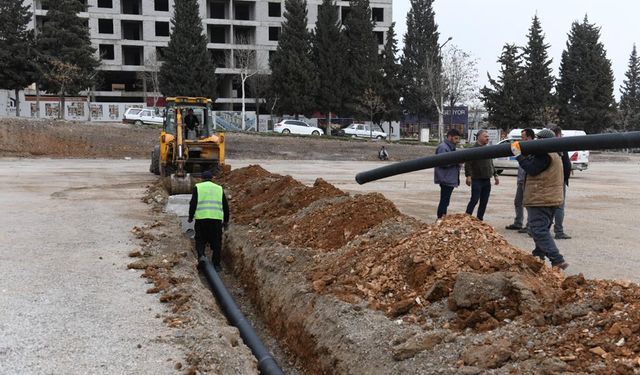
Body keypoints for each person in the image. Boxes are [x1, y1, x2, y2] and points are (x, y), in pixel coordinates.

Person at [511, 128, 569, 269]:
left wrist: (518, 156)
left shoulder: (545, 155)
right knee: (541, 228)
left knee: (537, 230)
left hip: (541, 198)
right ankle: (538, 257)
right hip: (550, 198)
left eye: (538, 139)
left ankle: (557, 259)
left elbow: (531, 169)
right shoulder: (556, 153)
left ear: (543, 140)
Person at [188, 170, 229, 271]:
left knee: (200, 239)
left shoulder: (198, 187)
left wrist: (190, 217)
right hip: (216, 220)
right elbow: (225, 206)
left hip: (201, 219)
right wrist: (226, 220)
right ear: (212, 178)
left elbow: (193, 203)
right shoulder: (219, 188)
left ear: (202, 178)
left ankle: (201, 256)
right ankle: (216, 265)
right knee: (216, 242)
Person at [464, 129, 499, 221]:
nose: (487, 138)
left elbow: (491, 162)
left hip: (487, 179)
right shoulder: (473, 149)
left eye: (488, 136)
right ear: (479, 137)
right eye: (485, 136)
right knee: (474, 199)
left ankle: (480, 219)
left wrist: (495, 175)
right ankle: (467, 218)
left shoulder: (488, 149)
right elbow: (468, 164)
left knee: (484, 201)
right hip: (477, 179)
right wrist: (468, 176)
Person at [506, 128, 535, 230]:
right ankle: (518, 222)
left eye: (523, 137)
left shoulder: (534, 149)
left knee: (528, 203)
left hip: (529, 181)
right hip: (521, 180)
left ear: (529, 137)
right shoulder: (523, 148)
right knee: (518, 202)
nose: (521, 140)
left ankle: (529, 225)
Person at [434, 129, 462, 219]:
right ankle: (440, 218)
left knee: (445, 201)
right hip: (445, 178)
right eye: (456, 138)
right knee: (444, 200)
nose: (458, 141)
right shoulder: (443, 147)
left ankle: (442, 218)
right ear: (450, 137)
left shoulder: (450, 147)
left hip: (449, 178)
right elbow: (442, 162)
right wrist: (457, 161)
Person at [551, 126, 572, 240]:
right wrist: (565, 179)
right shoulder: (561, 146)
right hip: (559, 180)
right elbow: (567, 165)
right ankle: (559, 231)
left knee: (546, 205)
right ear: (558, 134)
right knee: (559, 206)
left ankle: (538, 229)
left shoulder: (544, 146)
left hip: (547, 180)